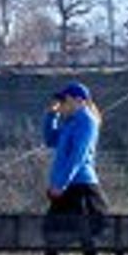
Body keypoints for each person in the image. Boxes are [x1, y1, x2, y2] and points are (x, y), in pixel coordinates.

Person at [43, 80, 106, 234]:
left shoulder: (87, 121)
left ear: (78, 100)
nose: (61, 103)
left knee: (87, 237)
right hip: (67, 185)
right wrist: (52, 116)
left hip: (81, 186)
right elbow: (51, 140)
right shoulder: (70, 123)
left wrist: (60, 185)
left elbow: (77, 156)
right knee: (50, 234)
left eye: (65, 100)